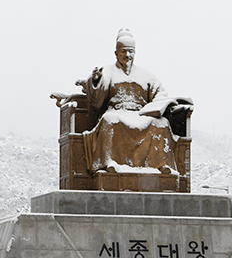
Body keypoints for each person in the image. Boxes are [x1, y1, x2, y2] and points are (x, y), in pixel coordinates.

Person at [81, 29, 191, 174]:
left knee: (162, 123)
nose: (127, 55)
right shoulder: (107, 71)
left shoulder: (146, 75)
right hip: (117, 112)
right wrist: (95, 81)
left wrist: (159, 105)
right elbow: (96, 96)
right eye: (123, 51)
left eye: (131, 51)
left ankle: (161, 164)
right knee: (109, 120)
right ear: (116, 53)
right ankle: (109, 162)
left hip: (140, 114)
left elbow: (160, 93)